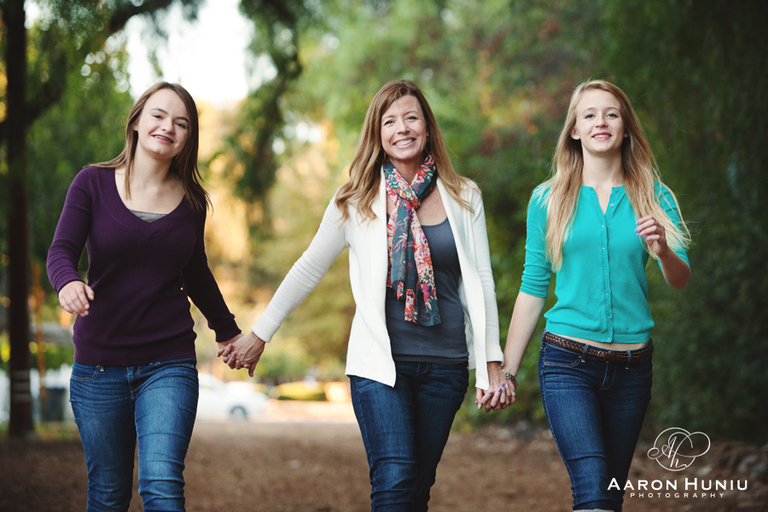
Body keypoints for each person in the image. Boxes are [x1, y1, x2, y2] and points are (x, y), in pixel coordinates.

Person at [220, 79, 511, 511]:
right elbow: (307, 268)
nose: (402, 128)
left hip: (445, 365)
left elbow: (481, 280)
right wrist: (260, 334)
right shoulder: (354, 201)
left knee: (417, 489)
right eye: (389, 121)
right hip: (380, 366)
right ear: (378, 134)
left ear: (427, 127)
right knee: (394, 482)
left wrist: (492, 362)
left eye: (411, 117)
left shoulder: (464, 195)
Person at [491, 80, 691, 512]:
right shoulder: (547, 199)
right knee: (594, 491)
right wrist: (506, 370)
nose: (601, 121)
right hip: (568, 362)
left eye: (611, 113)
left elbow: (680, 278)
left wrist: (661, 251)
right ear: (575, 131)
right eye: (589, 114)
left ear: (626, 128)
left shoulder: (655, 197)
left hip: (633, 371)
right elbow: (532, 287)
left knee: (610, 497)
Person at [47, 82, 242, 511]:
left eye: (181, 122)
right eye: (158, 115)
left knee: (161, 483)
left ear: (188, 137)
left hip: (168, 362)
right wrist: (66, 283)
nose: (167, 127)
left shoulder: (192, 202)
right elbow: (61, 250)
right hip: (98, 366)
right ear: (136, 121)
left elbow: (196, 273)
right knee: (108, 493)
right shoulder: (91, 184)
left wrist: (228, 331)